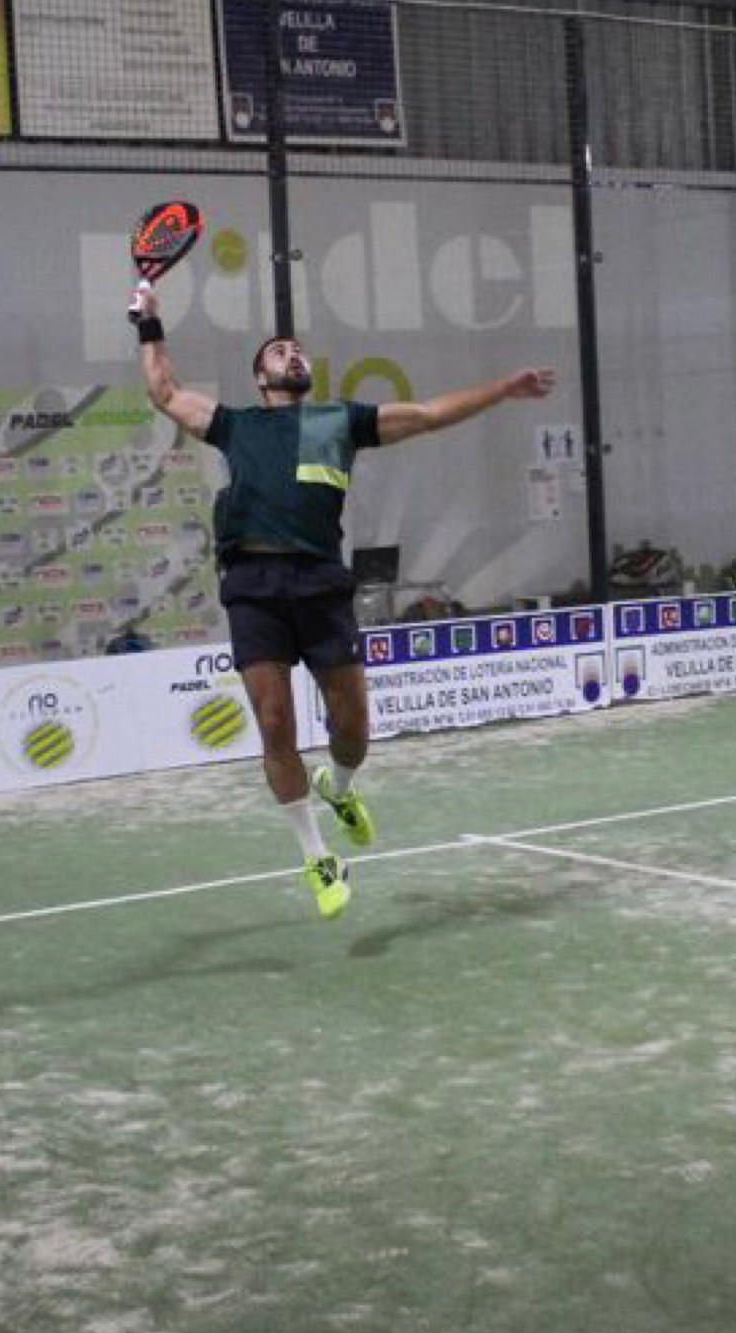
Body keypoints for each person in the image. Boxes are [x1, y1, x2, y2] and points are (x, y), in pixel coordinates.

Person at [131, 280, 556, 921]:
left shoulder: (340, 421)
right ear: (261, 376)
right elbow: (164, 392)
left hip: (321, 585)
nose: (293, 354)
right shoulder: (236, 425)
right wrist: (148, 323)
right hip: (253, 586)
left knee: (352, 728)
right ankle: (317, 856)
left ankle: (342, 784)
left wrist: (502, 388)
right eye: (279, 351)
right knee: (275, 722)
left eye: (298, 349)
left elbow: (430, 414)